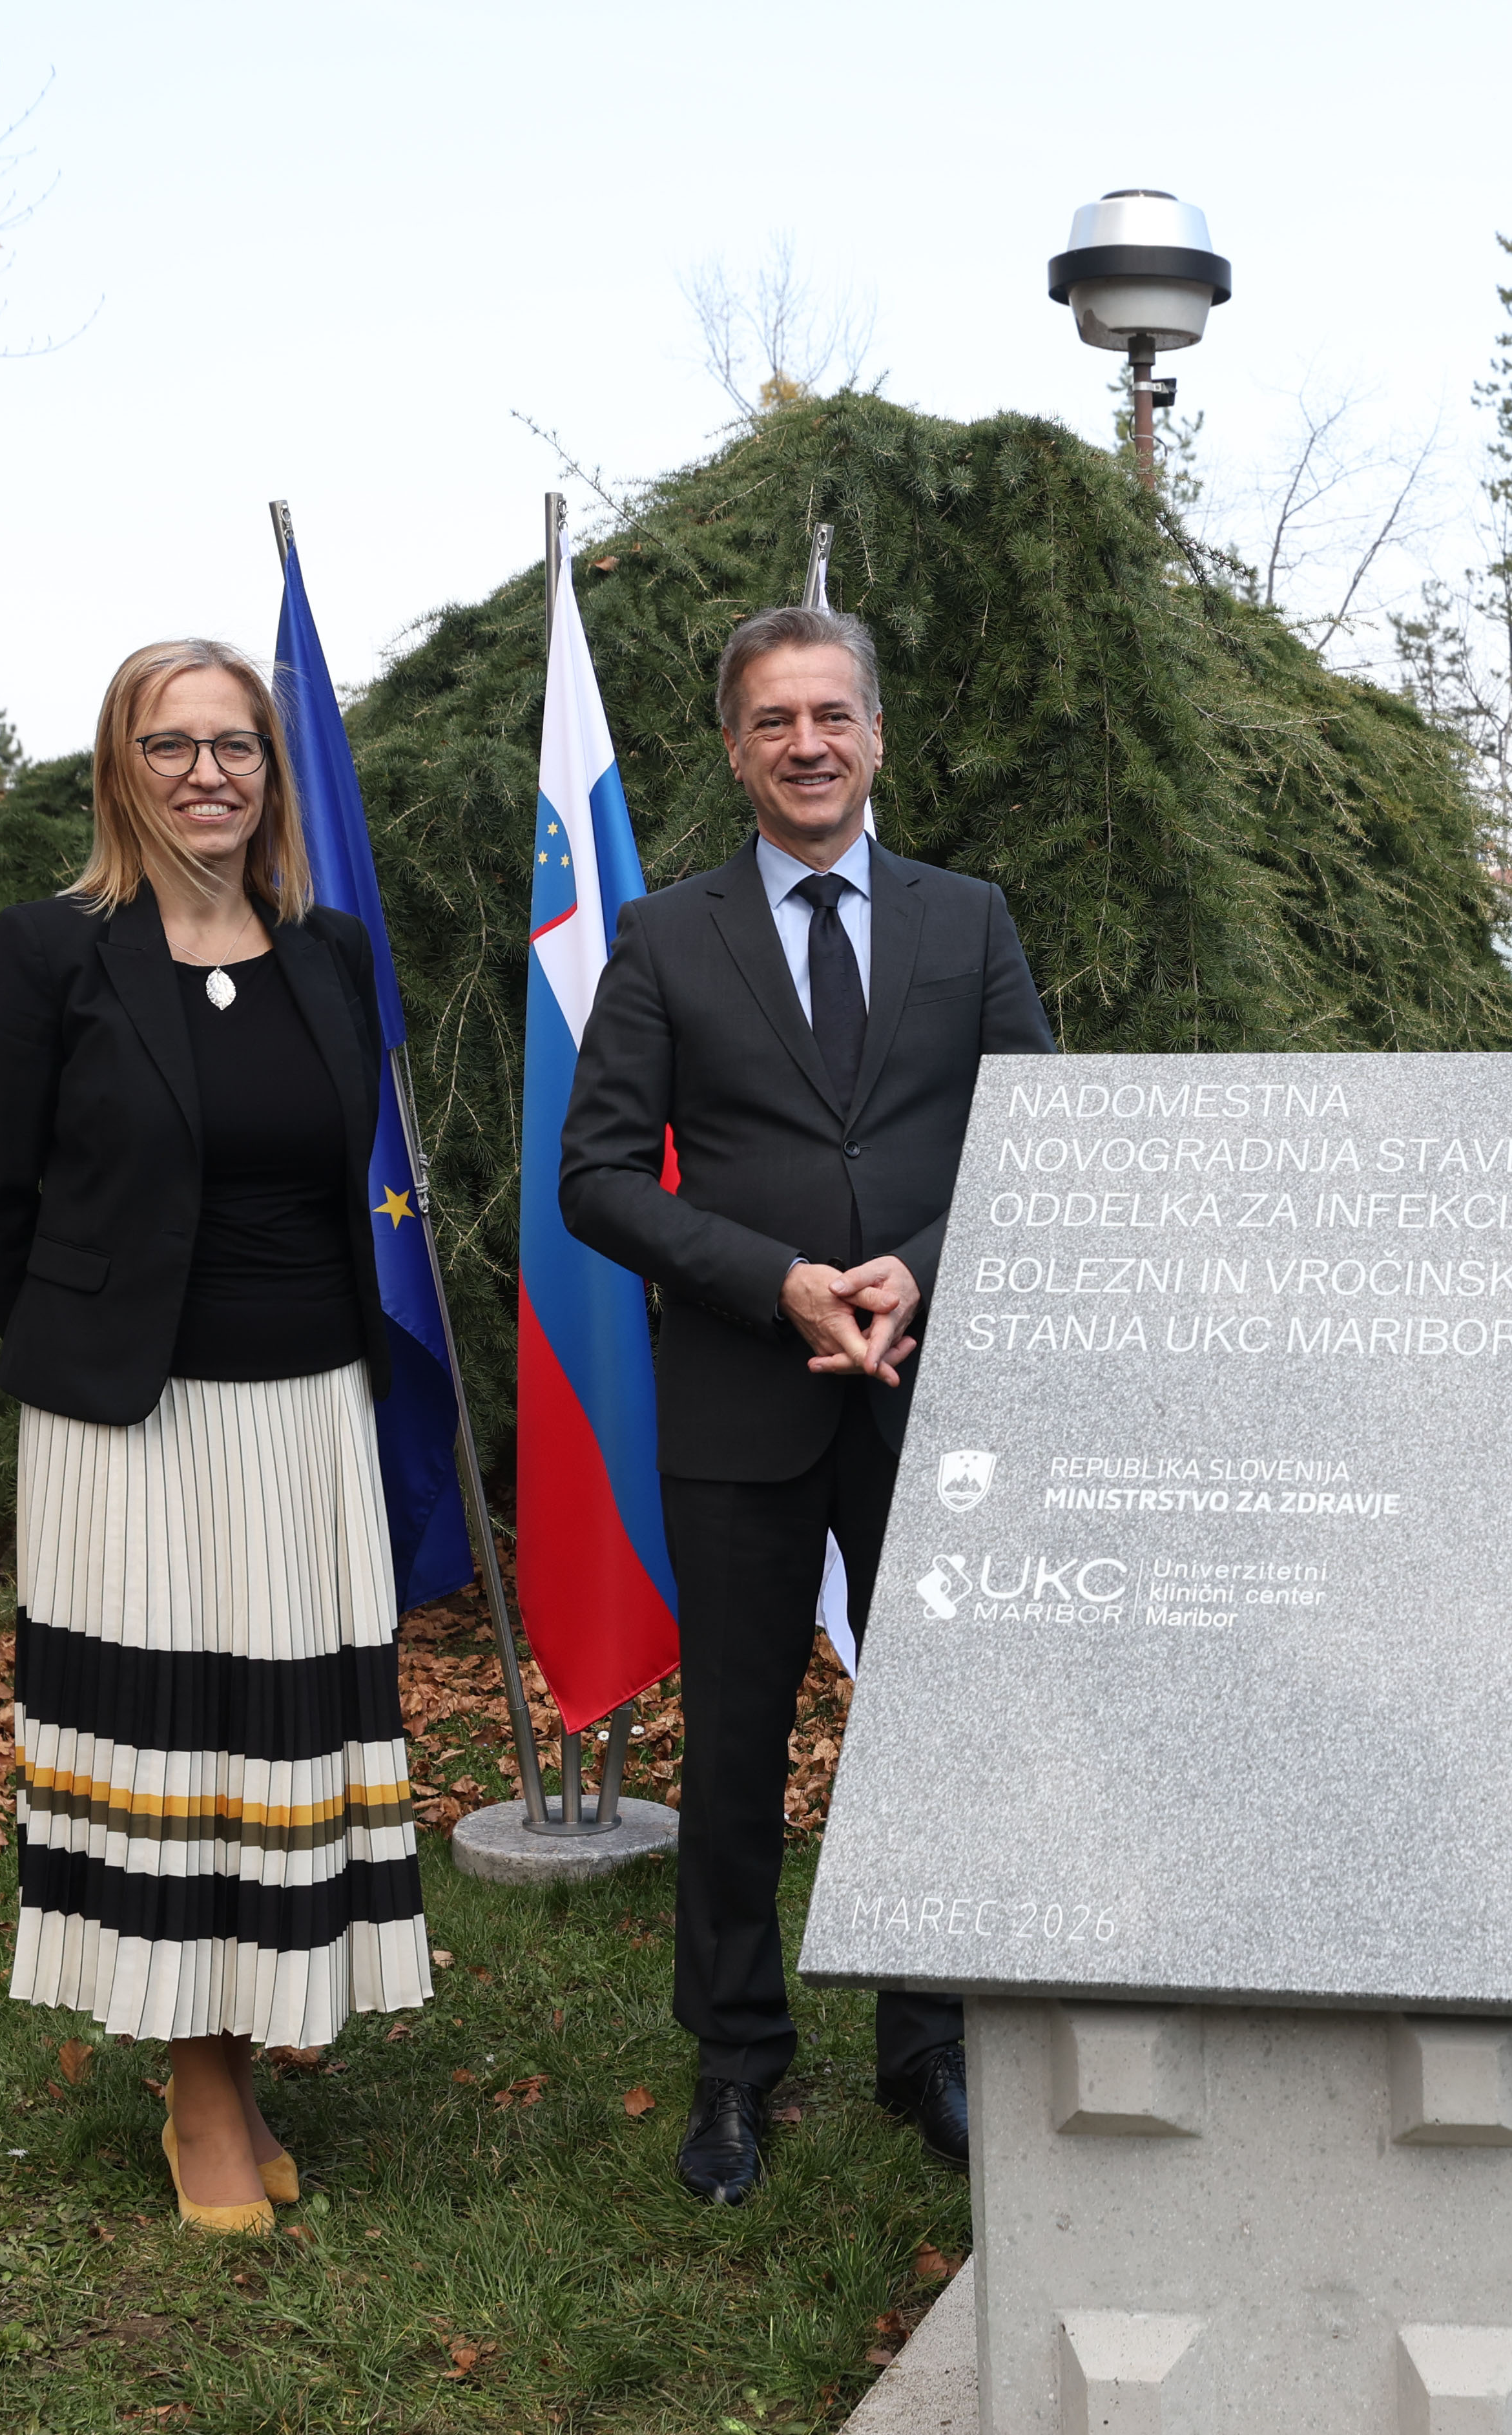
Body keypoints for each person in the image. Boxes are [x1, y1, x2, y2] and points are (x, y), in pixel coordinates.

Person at [560, 604, 1055, 2206]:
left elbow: (1035, 1134)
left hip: (930, 1385)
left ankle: (932, 2041)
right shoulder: (665, 938)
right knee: (739, 1746)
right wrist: (774, 1278)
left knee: (936, 1734)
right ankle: (734, 2066)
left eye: (832, 715)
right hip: (741, 1390)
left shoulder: (967, 919)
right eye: (774, 720)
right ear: (734, 747)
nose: (807, 744)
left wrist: (912, 1264)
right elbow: (595, 1178)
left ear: (876, 734)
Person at [0, 640, 427, 2235]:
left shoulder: (334, 956)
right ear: (120, 769)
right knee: (176, 1747)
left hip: (308, 1412)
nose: (208, 772)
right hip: (131, 1425)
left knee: (270, 1747)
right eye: (173, 746)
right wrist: (93, 1338)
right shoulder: (53, 956)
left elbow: (346, 1177)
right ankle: (202, 2084)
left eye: (237, 746)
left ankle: (248, 2043)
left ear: (272, 775)